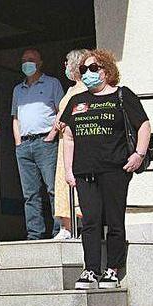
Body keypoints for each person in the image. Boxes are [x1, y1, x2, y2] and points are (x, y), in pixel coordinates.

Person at [59, 49, 152, 290]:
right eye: (83, 70)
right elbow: (68, 137)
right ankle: (90, 269)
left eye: (93, 68)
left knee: (114, 219)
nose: (88, 74)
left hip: (115, 169)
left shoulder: (122, 95)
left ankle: (112, 269)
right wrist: (69, 170)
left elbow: (143, 125)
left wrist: (139, 155)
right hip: (84, 171)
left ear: (106, 70)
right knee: (89, 221)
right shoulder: (77, 101)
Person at [12, 48, 66, 240]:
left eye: (31, 60)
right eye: (24, 60)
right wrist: (18, 142)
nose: (27, 63)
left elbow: (62, 111)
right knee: (30, 194)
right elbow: (15, 118)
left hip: (46, 142)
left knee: (53, 189)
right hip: (25, 145)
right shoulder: (18, 89)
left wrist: (52, 135)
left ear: (40, 63)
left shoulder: (52, 83)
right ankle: (34, 234)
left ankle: (60, 230)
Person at [51, 49, 89, 241]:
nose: (64, 66)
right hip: (62, 141)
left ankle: (82, 224)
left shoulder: (86, 88)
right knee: (62, 182)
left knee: (79, 181)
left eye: (67, 62)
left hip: (78, 142)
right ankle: (65, 226)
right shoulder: (71, 89)